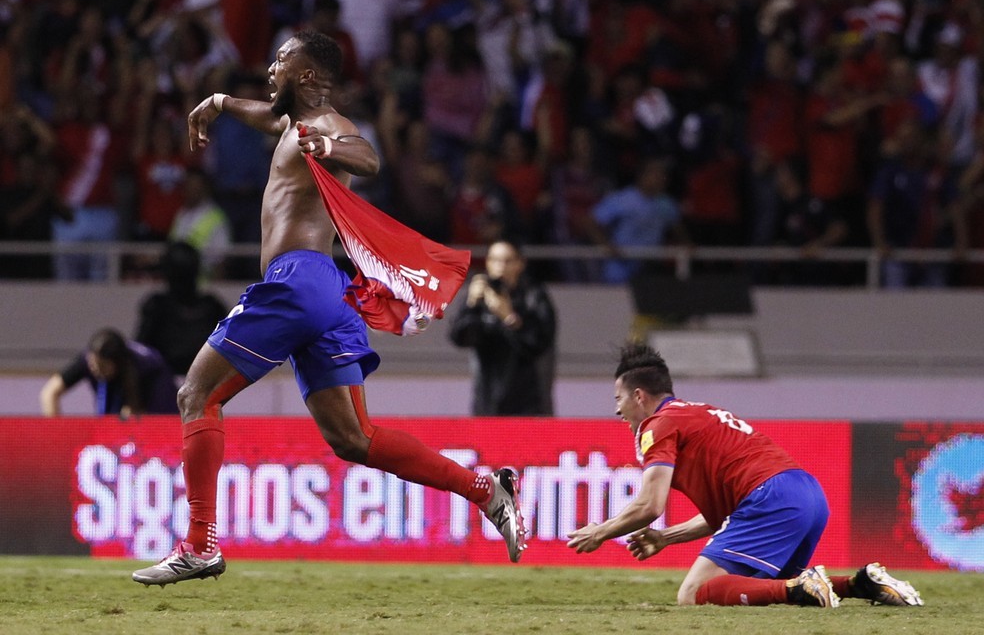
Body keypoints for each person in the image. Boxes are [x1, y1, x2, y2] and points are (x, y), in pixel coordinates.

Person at [131, 31, 526, 586]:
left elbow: (368, 157)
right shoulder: (289, 124)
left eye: (281, 60)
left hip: (296, 282)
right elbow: (267, 116)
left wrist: (327, 148)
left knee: (196, 395)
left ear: (309, 76)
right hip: (326, 292)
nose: (270, 68)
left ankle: (200, 544)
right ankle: (485, 490)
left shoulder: (325, 124)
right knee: (354, 439)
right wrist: (218, 102)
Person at [566, 343, 924, 609]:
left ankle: (806, 587)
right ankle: (862, 584)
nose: (617, 411)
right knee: (766, 585)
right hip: (807, 494)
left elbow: (649, 505)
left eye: (618, 399)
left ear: (639, 396)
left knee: (693, 593)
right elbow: (726, 516)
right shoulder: (698, 412)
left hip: (770, 497)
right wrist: (665, 538)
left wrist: (600, 532)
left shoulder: (657, 425)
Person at [449, 240, 557, 416]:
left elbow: (539, 343)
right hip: (487, 402)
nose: (501, 266)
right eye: (495, 260)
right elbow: (459, 337)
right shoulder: (480, 296)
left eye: (507, 261)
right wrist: (470, 305)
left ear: (520, 264)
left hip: (528, 405)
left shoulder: (533, 296)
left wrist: (508, 317)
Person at [39, 327, 178, 419]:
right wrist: (56, 433)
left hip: (160, 420)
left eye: (102, 367)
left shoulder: (149, 367)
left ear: (118, 363)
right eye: (93, 365)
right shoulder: (88, 359)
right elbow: (49, 393)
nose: (96, 371)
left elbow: (139, 418)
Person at [135, 242, 229, 377]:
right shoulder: (157, 306)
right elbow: (142, 352)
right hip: (167, 381)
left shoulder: (212, 307)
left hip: (202, 380)